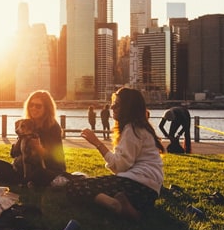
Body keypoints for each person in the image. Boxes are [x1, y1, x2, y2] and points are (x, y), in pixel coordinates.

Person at [63, 87, 164, 220]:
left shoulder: (132, 130)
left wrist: (97, 143)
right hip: (149, 192)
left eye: (116, 104)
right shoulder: (140, 128)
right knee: (90, 184)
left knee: (74, 186)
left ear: (128, 108)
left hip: (136, 186)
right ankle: (126, 206)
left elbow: (120, 166)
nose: (112, 107)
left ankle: (115, 205)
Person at [0, 90, 67, 187]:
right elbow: (13, 154)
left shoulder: (53, 127)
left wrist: (39, 149)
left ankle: (19, 180)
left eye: (38, 106)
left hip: (49, 168)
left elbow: (55, 158)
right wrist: (19, 141)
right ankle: (24, 181)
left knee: (40, 174)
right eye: (31, 105)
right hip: (26, 166)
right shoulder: (26, 124)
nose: (33, 108)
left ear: (46, 108)